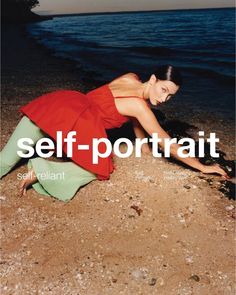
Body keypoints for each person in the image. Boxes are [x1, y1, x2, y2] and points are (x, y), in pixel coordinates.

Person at [0, 65, 228, 201]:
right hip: (77, 123)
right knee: (100, 168)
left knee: (5, 160)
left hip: (58, 105)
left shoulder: (129, 77)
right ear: (153, 80)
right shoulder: (141, 107)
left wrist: (144, 147)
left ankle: (38, 166)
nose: (164, 99)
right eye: (163, 90)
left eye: (171, 96)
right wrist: (202, 166)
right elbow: (165, 141)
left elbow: (132, 118)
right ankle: (41, 171)